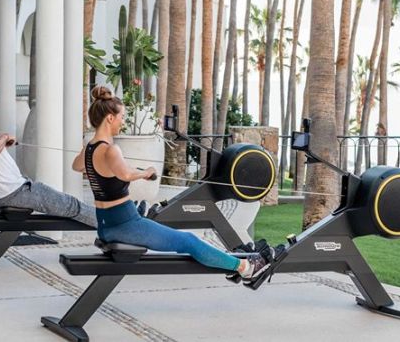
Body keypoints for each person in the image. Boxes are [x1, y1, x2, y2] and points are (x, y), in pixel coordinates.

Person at [72, 85, 271, 281]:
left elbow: (78, 166)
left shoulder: (89, 148)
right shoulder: (111, 150)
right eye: (122, 117)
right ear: (110, 118)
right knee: (189, 241)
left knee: (175, 235)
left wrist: (98, 172)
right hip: (126, 225)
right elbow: (124, 174)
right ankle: (245, 267)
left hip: (107, 225)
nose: (122, 122)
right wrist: (146, 172)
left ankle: (229, 262)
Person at [0, 76, 96, 227]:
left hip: (6, 192)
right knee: (72, 205)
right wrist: (3, 137)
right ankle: (115, 228)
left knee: (68, 205)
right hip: (14, 191)